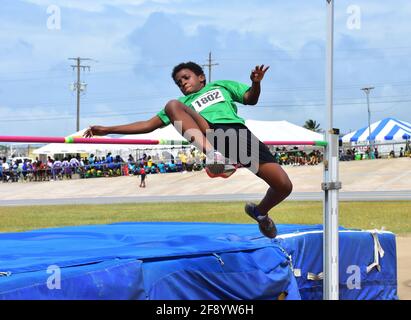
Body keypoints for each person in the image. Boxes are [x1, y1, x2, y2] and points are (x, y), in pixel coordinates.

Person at [84, 62, 293, 238]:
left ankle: (260, 213)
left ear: (201, 77)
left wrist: (255, 83)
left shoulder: (221, 86)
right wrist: (108, 129)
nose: (183, 83)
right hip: (210, 133)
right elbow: (148, 125)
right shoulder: (184, 103)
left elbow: (250, 98)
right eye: (179, 82)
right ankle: (215, 156)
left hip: (239, 135)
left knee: (283, 186)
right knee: (172, 105)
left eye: (186, 77)